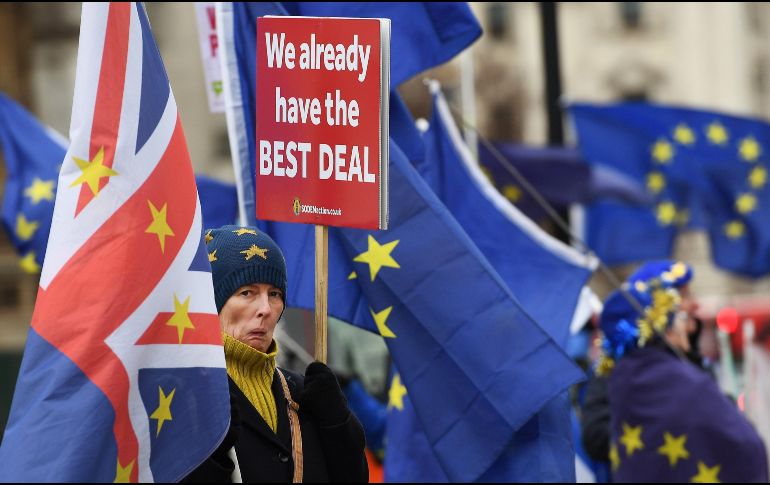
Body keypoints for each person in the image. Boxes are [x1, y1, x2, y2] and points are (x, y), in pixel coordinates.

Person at [184, 225, 368, 482]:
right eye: (247, 292)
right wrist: (209, 454)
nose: (265, 308)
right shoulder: (185, 395)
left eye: (274, 294)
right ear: (211, 301)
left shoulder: (304, 393)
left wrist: (338, 425)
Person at [596, 269, 768, 482]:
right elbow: (745, 444)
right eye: (682, 316)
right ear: (665, 329)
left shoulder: (620, 378)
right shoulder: (684, 381)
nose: (689, 324)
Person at [581, 260, 702, 465]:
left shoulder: (691, 358)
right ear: (656, 309)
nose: (694, 304)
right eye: (683, 296)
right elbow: (596, 437)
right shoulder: (614, 367)